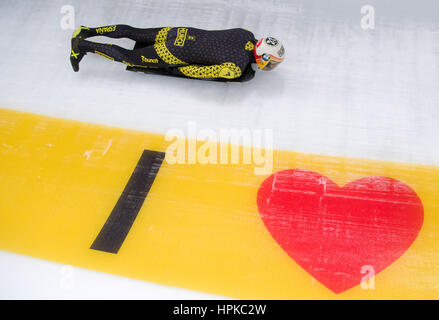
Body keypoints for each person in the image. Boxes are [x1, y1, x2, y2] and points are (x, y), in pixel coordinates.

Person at [70, 25, 285, 82]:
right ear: (264, 57)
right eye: (272, 62)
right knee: (128, 57)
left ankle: (88, 31)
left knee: (134, 32)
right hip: (173, 52)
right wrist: (178, 69)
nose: (271, 66)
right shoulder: (235, 68)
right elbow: (196, 72)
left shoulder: (245, 33)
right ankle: (80, 46)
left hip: (180, 32)